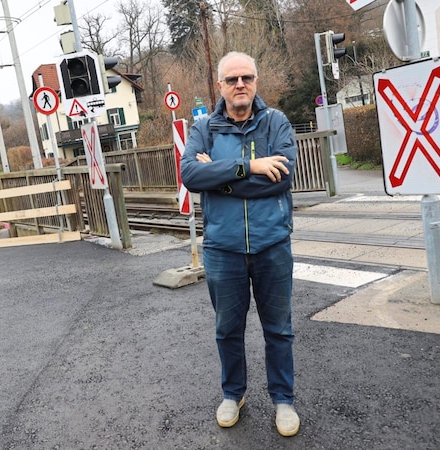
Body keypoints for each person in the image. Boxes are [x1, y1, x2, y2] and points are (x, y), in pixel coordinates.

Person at [180, 51, 300, 437]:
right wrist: (249, 168)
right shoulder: (204, 128)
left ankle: (283, 400)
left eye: (246, 78)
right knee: (227, 329)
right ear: (220, 86)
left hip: (272, 246)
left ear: (256, 81)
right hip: (223, 250)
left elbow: (281, 178)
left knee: (278, 329)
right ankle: (234, 394)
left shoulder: (275, 122)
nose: (240, 85)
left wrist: (218, 177)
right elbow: (190, 174)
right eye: (232, 80)